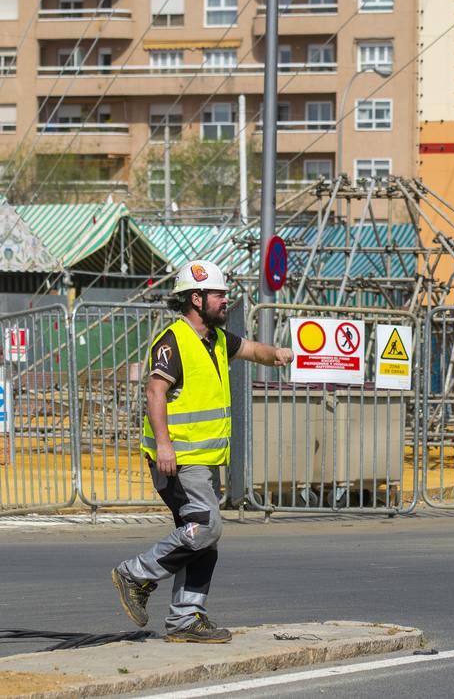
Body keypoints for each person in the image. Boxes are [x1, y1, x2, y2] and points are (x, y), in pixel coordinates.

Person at [111, 259, 293, 643]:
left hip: (203, 460)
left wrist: (275, 354)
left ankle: (185, 619)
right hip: (177, 459)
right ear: (196, 298)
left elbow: (250, 349)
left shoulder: (214, 338)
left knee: (201, 535)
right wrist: (163, 444)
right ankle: (135, 574)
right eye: (218, 294)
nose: (225, 300)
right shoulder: (173, 341)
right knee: (207, 527)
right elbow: (154, 391)